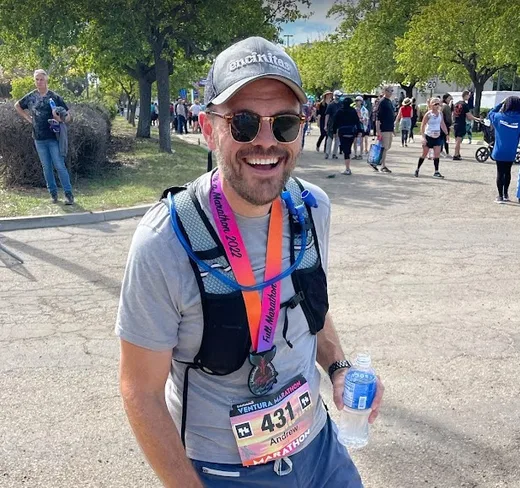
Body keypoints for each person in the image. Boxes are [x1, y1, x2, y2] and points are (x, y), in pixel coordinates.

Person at [115, 36, 384, 488]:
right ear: (207, 127)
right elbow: (139, 391)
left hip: (320, 451)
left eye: (283, 123)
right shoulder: (164, 242)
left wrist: (338, 368)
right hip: (225, 472)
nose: (265, 142)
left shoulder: (312, 207)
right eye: (242, 122)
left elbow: (309, 305)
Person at [15, 69, 74, 205]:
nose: (39, 82)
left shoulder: (54, 97)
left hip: (54, 138)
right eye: (37, 79)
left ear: (46, 80)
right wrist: (28, 118)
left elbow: (69, 116)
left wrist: (61, 119)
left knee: (59, 165)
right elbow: (17, 105)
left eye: (41, 79)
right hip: (38, 138)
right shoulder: (31, 97)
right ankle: (53, 194)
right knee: (46, 167)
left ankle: (68, 194)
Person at [488, 96, 520, 203]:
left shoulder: (498, 117)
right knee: (508, 172)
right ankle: (506, 194)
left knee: (500, 172)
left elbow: (490, 113)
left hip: (499, 150)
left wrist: (500, 103)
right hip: (511, 151)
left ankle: (500, 196)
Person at [414, 97, 448, 179]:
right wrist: (423, 137)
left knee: (437, 154)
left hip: (437, 136)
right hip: (429, 136)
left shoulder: (440, 114)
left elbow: (442, 123)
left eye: (438, 104)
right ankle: (417, 169)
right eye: (435, 104)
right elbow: (422, 125)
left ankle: (436, 171)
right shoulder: (428, 114)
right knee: (424, 154)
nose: (437, 106)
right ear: (431, 105)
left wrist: (446, 133)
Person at [333, 97, 364, 175]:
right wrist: (359, 131)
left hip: (342, 132)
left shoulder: (339, 111)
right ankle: (348, 167)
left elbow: (335, 123)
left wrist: (334, 132)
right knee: (348, 149)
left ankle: (347, 168)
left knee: (345, 149)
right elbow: (357, 121)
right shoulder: (353, 111)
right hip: (351, 132)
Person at [452, 90, 480, 160]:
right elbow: (469, 116)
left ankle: (458, 154)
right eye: (469, 95)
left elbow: (453, 114)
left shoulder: (456, 104)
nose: (469, 97)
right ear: (466, 95)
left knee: (457, 140)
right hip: (461, 123)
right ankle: (455, 154)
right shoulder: (464, 105)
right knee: (458, 141)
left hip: (455, 123)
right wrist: (477, 119)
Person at [375, 85, 395, 173]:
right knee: (384, 147)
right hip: (384, 128)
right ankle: (383, 165)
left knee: (387, 146)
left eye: (392, 91)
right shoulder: (382, 102)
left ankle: (376, 162)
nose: (391, 92)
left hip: (389, 128)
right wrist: (378, 130)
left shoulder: (389, 102)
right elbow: (378, 117)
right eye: (390, 91)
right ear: (385, 91)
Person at [324, 90, 342, 160]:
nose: (339, 97)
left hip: (339, 124)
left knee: (337, 139)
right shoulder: (331, 105)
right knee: (330, 139)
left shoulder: (341, 104)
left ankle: (335, 153)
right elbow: (327, 115)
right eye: (338, 96)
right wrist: (325, 125)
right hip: (331, 124)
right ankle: (327, 153)